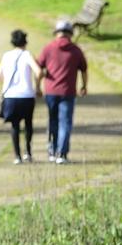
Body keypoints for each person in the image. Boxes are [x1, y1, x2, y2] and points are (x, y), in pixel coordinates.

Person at [38, 18, 90, 164]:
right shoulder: (76, 50)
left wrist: (37, 86)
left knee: (52, 121)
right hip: (68, 92)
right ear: (70, 34)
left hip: (51, 91)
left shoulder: (48, 48)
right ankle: (62, 154)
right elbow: (84, 70)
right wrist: (84, 86)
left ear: (57, 33)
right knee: (65, 123)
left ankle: (52, 152)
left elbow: (39, 68)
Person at [0, 30, 42, 164]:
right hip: (27, 95)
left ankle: (17, 156)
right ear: (25, 42)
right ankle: (28, 152)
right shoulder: (27, 55)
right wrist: (38, 87)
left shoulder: (6, 56)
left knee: (14, 126)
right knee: (28, 124)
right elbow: (38, 72)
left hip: (10, 96)